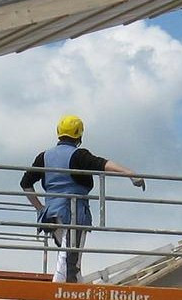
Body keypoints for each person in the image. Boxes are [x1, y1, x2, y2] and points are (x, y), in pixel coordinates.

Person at [21, 114, 145, 282]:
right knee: (69, 260)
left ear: (59, 132)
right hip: (73, 213)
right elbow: (102, 164)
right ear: (79, 134)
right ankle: (58, 292)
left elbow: (25, 183)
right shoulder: (78, 155)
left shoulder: (44, 156)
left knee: (69, 258)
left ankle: (75, 288)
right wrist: (130, 174)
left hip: (52, 215)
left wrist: (40, 209)